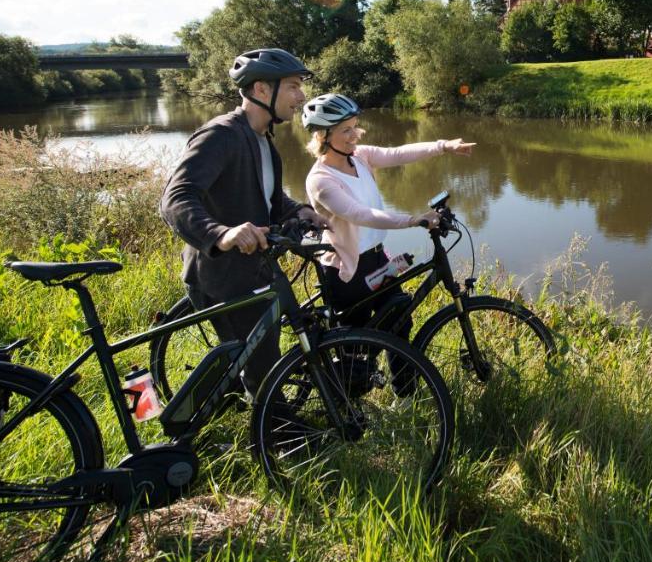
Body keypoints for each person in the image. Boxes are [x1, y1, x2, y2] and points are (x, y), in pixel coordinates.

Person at [160, 48, 331, 397]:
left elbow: (269, 198)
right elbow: (175, 198)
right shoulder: (221, 135)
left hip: (254, 269)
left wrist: (298, 211)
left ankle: (254, 412)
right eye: (294, 87)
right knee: (264, 372)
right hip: (221, 277)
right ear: (262, 90)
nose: (301, 98)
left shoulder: (264, 140)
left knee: (264, 356)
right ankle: (282, 442)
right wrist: (221, 234)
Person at [302, 93, 475, 334]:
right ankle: (362, 372)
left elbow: (398, 154)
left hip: (378, 260)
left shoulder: (359, 157)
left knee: (400, 322)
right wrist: (412, 220)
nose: (355, 136)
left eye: (355, 127)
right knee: (356, 345)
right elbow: (361, 214)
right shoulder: (321, 180)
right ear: (323, 136)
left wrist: (443, 146)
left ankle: (404, 374)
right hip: (348, 271)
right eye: (346, 131)